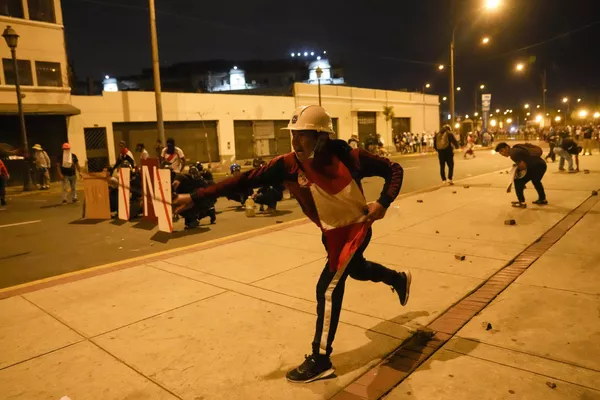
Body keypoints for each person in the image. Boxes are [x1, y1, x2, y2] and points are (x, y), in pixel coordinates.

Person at [174, 105, 411, 383]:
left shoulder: (351, 157)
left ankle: (321, 359)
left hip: (355, 230)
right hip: (331, 234)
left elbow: (394, 169)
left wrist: (383, 202)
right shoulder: (287, 164)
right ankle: (397, 279)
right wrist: (196, 196)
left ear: (322, 137)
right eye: (293, 135)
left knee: (327, 288)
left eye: (303, 135)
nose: (295, 141)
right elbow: (243, 181)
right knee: (355, 271)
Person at [495, 142, 547, 207]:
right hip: (542, 165)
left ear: (507, 147)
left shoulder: (513, 154)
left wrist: (516, 169)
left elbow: (523, 166)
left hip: (535, 167)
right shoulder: (516, 149)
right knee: (536, 181)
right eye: (500, 153)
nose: (502, 154)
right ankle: (543, 199)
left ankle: (521, 202)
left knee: (518, 181)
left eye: (502, 151)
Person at [173, 163, 216, 228]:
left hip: (201, 201)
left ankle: (195, 218)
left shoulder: (182, 177)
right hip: (207, 202)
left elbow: (191, 202)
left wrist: (176, 211)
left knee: (181, 204)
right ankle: (206, 212)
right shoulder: (197, 180)